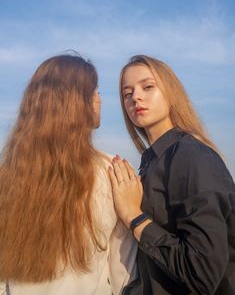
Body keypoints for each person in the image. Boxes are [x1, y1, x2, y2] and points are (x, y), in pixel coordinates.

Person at [0, 54, 137, 295]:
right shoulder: (112, 172)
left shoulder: (8, 177)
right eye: (95, 92)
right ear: (74, 103)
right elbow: (123, 271)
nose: (99, 100)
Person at [109, 54, 235, 295]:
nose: (135, 97)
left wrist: (134, 218)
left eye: (148, 87)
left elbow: (202, 273)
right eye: (127, 93)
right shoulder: (151, 163)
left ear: (171, 92)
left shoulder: (192, 157)